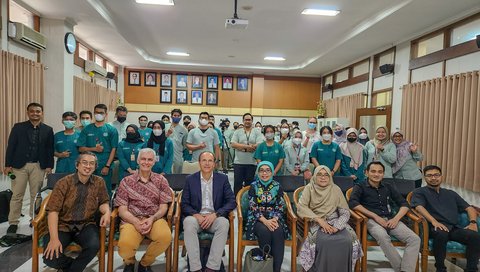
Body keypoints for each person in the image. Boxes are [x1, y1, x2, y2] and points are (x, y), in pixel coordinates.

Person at [43, 152, 110, 272]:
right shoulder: (64, 183)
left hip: (86, 224)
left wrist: (107, 212)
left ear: (95, 167)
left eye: (92, 164)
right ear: (77, 165)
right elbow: (53, 211)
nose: (88, 166)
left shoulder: (99, 182)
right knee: (50, 257)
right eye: (84, 162)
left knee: (94, 245)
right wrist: (54, 239)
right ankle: (73, 268)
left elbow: (104, 202)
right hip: (63, 225)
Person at [349, 161, 420, 272]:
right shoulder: (360, 186)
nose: (376, 174)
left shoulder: (388, 186)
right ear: (367, 173)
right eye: (373, 171)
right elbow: (353, 203)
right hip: (371, 220)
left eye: (380, 172)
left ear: (383, 174)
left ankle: (405, 270)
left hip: (391, 219)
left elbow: (404, 204)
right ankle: (400, 268)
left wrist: (396, 219)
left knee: (414, 239)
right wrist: (375, 217)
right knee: (383, 236)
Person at [411, 165, 480, 272]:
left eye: (436, 175)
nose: (433, 178)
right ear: (425, 177)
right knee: (441, 233)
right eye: (429, 175)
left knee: (474, 236)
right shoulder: (419, 192)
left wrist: (473, 222)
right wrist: (434, 221)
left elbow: (469, 208)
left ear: (441, 176)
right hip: (433, 227)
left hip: (453, 228)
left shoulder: (451, 193)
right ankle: (440, 268)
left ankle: (471, 269)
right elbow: (418, 207)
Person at [115, 148, 173, 272]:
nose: (146, 162)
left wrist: (152, 219)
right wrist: (136, 221)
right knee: (125, 246)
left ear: (154, 162)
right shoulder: (126, 181)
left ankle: (145, 263)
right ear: (138, 160)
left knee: (165, 237)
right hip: (131, 219)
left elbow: (164, 207)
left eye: (149, 160)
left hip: (154, 218)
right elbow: (122, 210)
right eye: (143, 159)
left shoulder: (161, 180)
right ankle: (129, 261)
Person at [297, 165, 362, 271]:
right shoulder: (310, 188)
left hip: (336, 222)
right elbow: (301, 207)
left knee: (346, 240)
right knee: (324, 242)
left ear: (330, 177)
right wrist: (319, 220)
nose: (323, 177)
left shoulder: (336, 189)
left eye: (326, 175)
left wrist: (337, 227)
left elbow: (345, 212)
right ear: (314, 176)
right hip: (316, 222)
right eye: (319, 174)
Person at [3, 102, 54, 234]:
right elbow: (11, 146)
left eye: (38, 111)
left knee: (36, 195)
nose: (35, 113)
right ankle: (13, 222)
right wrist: (7, 165)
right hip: (19, 166)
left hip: (39, 166)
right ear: (28, 113)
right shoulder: (18, 127)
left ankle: (34, 219)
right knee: (17, 195)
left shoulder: (48, 130)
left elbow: (50, 149)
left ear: (42, 113)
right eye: (32, 111)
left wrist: (49, 166)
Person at [181, 151, 236, 272]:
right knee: (188, 222)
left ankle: (212, 267)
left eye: (210, 160)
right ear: (199, 163)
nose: (207, 163)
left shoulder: (222, 179)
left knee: (224, 223)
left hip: (214, 218)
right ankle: (195, 268)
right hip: (196, 218)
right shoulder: (190, 179)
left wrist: (216, 215)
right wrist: (196, 215)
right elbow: (184, 204)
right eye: (204, 160)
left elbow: (231, 201)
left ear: (214, 164)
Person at [245, 161, 288, 272]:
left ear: (272, 172)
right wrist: (265, 221)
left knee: (278, 231)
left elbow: (280, 205)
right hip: (257, 219)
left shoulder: (277, 186)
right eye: (262, 170)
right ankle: (266, 268)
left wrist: (274, 219)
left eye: (268, 170)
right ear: (258, 172)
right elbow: (253, 206)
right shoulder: (253, 186)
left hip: (274, 217)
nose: (265, 173)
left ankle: (276, 269)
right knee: (265, 231)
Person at [77, 103, 118, 195]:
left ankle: (106, 208)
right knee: (87, 189)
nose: (98, 114)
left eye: (101, 113)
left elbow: (113, 149)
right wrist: (94, 149)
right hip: (88, 165)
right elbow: (80, 149)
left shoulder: (111, 130)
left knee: (104, 189)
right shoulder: (87, 129)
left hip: (104, 164)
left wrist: (107, 166)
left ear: (106, 114)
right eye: (96, 112)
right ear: (94, 113)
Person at [231, 113, 264, 195]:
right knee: (237, 184)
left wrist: (241, 147)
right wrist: (247, 147)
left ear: (252, 121)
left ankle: (247, 201)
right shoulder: (237, 132)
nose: (247, 121)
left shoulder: (257, 132)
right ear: (243, 121)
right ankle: (237, 201)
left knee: (249, 184)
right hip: (239, 163)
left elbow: (260, 143)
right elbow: (233, 144)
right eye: (246, 119)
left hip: (251, 163)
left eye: (249, 120)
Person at [166, 109, 188, 174]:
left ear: (181, 117)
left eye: (178, 116)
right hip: (166, 153)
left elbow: (184, 145)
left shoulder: (184, 130)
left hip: (178, 155)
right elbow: (161, 140)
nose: (176, 117)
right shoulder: (166, 126)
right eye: (175, 115)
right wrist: (167, 134)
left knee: (177, 175)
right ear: (171, 116)